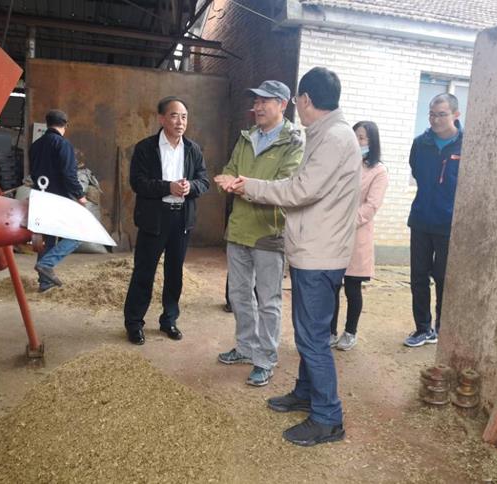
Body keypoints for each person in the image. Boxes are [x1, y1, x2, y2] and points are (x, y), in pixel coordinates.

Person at [224, 67, 361, 446]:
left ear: (304, 100)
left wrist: (248, 186)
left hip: (320, 253)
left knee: (313, 338)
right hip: (312, 249)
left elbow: (300, 190)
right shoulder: (325, 134)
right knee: (308, 334)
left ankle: (328, 418)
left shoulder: (334, 137)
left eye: (297, 100)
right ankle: (305, 392)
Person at [213, 80, 303, 387]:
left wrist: (244, 186)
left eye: (266, 100)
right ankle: (245, 347)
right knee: (239, 295)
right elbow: (229, 170)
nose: (258, 106)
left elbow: (285, 186)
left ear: (283, 104)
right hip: (239, 227)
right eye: (256, 100)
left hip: (268, 231)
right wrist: (231, 182)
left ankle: (265, 358)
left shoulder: (293, 143)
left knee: (268, 300)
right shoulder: (246, 137)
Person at [123, 96, 210, 345]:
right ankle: (134, 323)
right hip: (154, 219)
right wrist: (167, 187)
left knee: (174, 273)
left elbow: (204, 181)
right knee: (144, 271)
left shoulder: (193, 149)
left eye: (184, 117)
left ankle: (169, 320)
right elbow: (138, 182)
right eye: (174, 116)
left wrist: (190, 186)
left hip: (181, 219)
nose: (180, 122)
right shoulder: (145, 148)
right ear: (161, 119)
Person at [403, 93, 462, 348]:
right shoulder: (421, 144)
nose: (435, 120)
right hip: (421, 220)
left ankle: (441, 328)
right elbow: (417, 171)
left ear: (456, 115)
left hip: (449, 224)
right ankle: (422, 328)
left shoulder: (465, 145)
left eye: (442, 114)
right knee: (418, 277)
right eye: (432, 114)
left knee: (443, 278)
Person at [330, 121, 389, 351]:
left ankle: (350, 332)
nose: (357, 141)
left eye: (362, 138)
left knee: (352, 288)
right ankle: (329, 331)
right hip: (334, 234)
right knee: (332, 286)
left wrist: (347, 222)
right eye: (354, 136)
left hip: (357, 233)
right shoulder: (343, 164)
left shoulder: (378, 171)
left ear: (372, 142)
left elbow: (371, 205)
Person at [29, 109, 87, 293]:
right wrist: (79, 195)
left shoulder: (35, 145)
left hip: (40, 197)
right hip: (58, 200)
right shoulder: (63, 145)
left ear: (47, 124)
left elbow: (33, 173)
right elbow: (69, 174)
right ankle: (46, 264)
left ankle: (44, 282)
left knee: (48, 240)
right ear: (65, 125)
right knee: (77, 235)